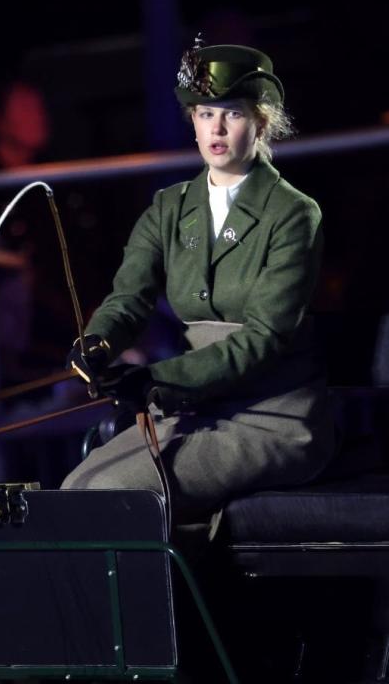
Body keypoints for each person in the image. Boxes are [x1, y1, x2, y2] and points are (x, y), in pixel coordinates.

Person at [61, 41, 336, 524]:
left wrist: (160, 379)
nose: (217, 128)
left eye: (232, 113)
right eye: (205, 113)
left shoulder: (292, 213)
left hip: (272, 416)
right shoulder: (169, 208)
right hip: (194, 408)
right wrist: (99, 345)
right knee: (73, 488)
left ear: (261, 122)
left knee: (106, 494)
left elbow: (265, 338)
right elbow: (128, 299)